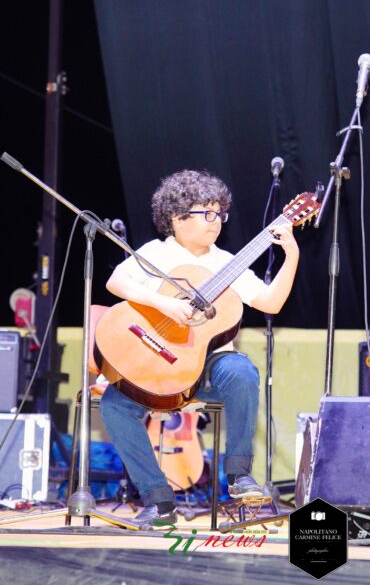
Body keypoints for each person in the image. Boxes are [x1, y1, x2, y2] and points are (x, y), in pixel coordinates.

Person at [100, 169, 299, 528]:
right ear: (176, 218)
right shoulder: (156, 253)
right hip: (158, 362)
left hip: (208, 365)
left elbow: (270, 303)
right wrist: (162, 304)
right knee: (115, 405)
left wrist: (291, 255)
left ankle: (238, 475)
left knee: (241, 371)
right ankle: (158, 502)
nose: (216, 221)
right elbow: (116, 281)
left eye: (220, 213)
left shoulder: (227, 262)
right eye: (205, 213)